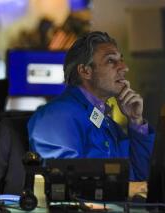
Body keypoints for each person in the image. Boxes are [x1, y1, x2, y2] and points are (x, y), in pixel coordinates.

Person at [28, 31, 155, 181]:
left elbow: (142, 177)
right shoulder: (55, 117)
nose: (124, 67)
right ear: (85, 71)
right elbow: (66, 186)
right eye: (110, 61)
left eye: (121, 60)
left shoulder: (104, 121)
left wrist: (136, 121)